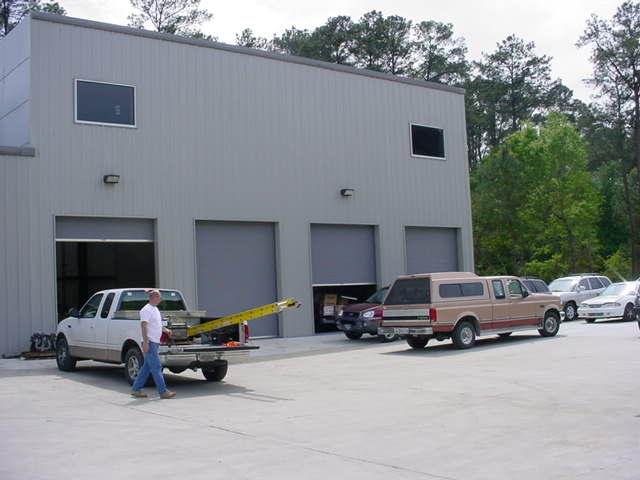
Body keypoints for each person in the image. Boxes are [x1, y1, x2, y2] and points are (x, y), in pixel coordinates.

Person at [131, 290, 176, 399]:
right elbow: (144, 326)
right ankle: (163, 391)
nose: (160, 299)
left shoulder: (155, 309)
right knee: (156, 366)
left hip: (154, 342)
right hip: (150, 342)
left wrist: (166, 330)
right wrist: (146, 343)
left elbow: (157, 325)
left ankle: (136, 389)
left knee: (146, 368)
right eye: (159, 297)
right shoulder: (146, 310)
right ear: (154, 297)